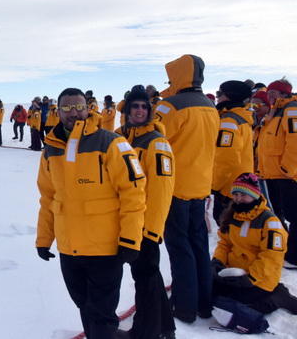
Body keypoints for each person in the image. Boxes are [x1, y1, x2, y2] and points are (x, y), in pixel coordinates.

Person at [36, 87, 146, 339]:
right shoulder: (51, 149)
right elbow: (48, 198)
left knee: (102, 312)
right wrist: (44, 240)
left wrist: (131, 239)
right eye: (66, 108)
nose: (73, 112)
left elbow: (134, 194)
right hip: (69, 248)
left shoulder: (112, 143)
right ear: (58, 111)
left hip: (104, 248)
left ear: (88, 108)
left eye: (78, 106)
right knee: (84, 305)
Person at [155, 54, 220, 323]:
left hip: (175, 189)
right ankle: (204, 303)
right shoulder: (209, 106)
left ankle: (183, 307)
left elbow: (153, 140)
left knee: (180, 249)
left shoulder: (170, 107)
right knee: (198, 246)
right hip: (200, 187)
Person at [117, 86, 176, 339]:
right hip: (123, 220)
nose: (139, 110)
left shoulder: (157, 142)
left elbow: (163, 190)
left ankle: (145, 332)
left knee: (145, 277)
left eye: (144, 106)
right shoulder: (118, 138)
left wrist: (152, 230)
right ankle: (165, 328)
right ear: (128, 110)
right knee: (148, 276)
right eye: (135, 106)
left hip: (143, 225)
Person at [212, 173, 297, 315]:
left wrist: (251, 278)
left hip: (259, 279)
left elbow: (271, 257)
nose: (238, 199)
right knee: (210, 292)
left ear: (255, 195)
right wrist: (217, 261)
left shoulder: (270, 222)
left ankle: (278, 297)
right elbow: (224, 244)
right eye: (236, 194)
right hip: (233, 274)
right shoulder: (232, 216)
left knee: (241, 305)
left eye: (243, 195)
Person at [257, 78, 297, 268]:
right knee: (280, 212)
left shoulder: (291, 110)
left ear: (284, 94)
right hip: (273, 173)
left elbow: (295, 142)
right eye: (269, 92)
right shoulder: (276, 111)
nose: (270, 95)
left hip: (286, 175)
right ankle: (285, 247)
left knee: (294, 214)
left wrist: (288, 168)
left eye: (275, 92)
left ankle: (294, 256)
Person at [211, 81, 254, 224]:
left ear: (230, 96)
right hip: (243, 183)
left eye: (220, 94)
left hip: (230, 188)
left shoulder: (229, 120)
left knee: (229, 229)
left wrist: (215, 185)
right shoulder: (243, 118)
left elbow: (226, 158)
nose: (217, 97)